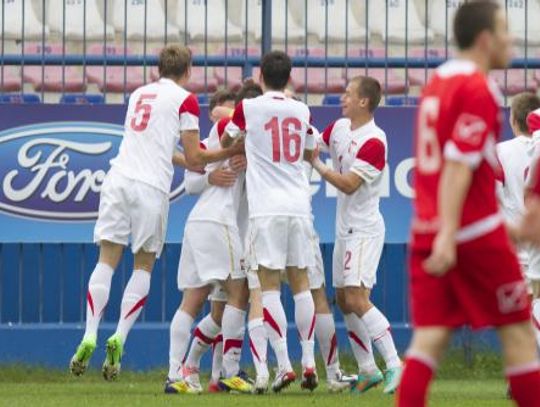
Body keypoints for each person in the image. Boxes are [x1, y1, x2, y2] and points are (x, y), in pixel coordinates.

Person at [69, 45, 242, 381]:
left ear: (158, 68)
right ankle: (119, 336)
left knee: (106, 260)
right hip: (151, 188)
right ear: (188, 69)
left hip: (118, 178)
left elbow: (161, 147)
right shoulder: (186, 100)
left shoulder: (138, 94)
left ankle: (90, 332)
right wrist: (229, 150)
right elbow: (194, 158)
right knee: (143, 265)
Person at [398, 2, 540, 406]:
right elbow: (459, 165)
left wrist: (442, 229)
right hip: (471, 234)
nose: (512, 39)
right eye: (506, 31)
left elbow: (453, 168)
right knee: (518, 336)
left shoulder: (436, 83)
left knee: (427, 342)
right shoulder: (478, 88)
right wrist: (452, 231)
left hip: (428, 229)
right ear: (485, 39)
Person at [221, 50, 318, 392]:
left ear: (260, 75)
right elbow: (311, 148)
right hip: (298, 204)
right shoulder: (301, 109)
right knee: (302, 282)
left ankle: (284, 364)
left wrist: (249, 144)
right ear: (290, 77)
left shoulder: (248, 107)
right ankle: (309, 360)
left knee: (269, 285)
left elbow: (226, 140)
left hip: (266, 208)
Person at [165, 81, 262, 395]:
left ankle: (178, 373)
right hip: (218, 222)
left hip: (205, 224)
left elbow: (194, 179)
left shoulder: (234, 139)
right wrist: (212, 176)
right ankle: (232, 372)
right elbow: (194, 182)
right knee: (241, 290)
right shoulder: (230, 127)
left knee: (197, 303)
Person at [310, 76, 402, 394]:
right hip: (343, 227)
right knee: (344, 300)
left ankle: (395, 365)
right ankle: (367, 369)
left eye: (348, 94)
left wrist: (318, 167)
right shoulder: (338, 128)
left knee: (358, 298)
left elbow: (349, 183)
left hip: (364, 229)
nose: (342, 98)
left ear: (364, 102)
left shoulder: (375, 140)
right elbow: (313, 143)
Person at [496, 96, 540, 350]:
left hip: (517, 246)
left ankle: (525, 373)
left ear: (514, 119)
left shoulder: (500, 152)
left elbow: (490, 199)